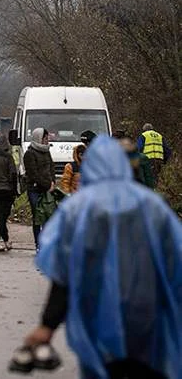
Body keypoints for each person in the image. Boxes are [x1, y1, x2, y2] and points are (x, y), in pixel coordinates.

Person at [21, 137, 182, 379]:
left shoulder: (78, 211)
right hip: (148, 314)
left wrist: (47, 325)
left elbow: (65, 272)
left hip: (98, 316)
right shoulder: (153, 207)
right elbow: (175, 264)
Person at [23, 128, 54, 249]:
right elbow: (33, 174)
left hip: (47, 189)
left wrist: (52, 182)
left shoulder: (47, 152)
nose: (47, 141)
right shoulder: (29, 154)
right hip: (35, 189)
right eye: (45, 138)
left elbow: (51, 167)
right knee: (38, 216)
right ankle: (38, 244)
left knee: (48, 215)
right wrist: (47, 184)